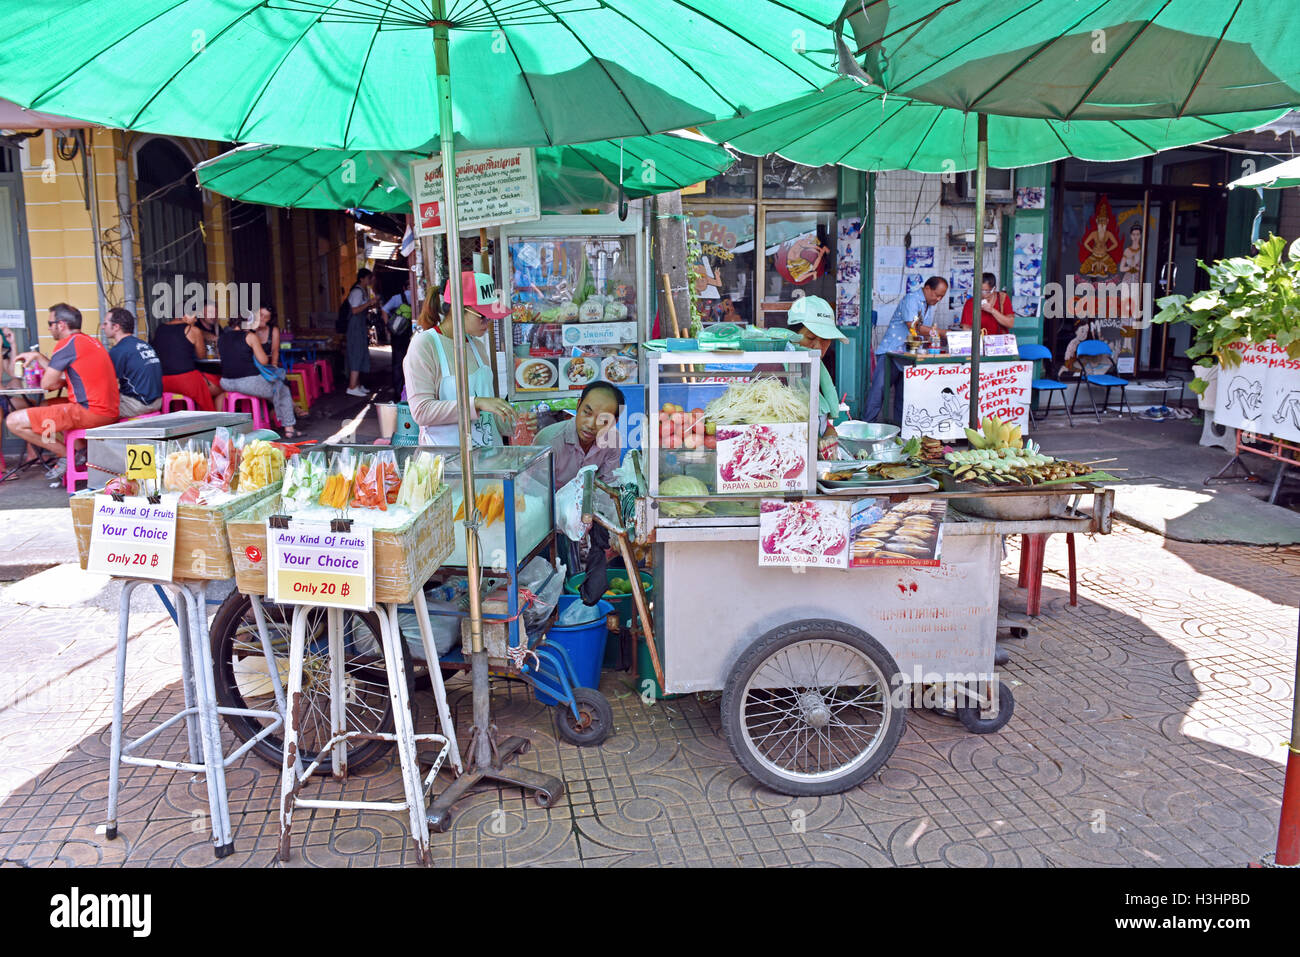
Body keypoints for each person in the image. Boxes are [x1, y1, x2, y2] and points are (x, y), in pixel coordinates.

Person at [6, 303, 119, 483]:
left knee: (13, 421)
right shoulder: (89, 341)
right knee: (45, 405)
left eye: (50, 324)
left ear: (61, 325)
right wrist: (37, 357)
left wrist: (42, 366)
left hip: (90, 412)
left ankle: (67, 454)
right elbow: (66, 380)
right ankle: (79, 451)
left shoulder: (66, 344)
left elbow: (48, 383)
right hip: (106, 410)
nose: (49, 328)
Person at [404, 271, 514, 447]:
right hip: (447, 462)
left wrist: (511, 419)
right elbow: (421, 411)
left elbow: (489, 417)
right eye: (483, 316)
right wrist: (476, 403)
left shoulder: (477, 346)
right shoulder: (425, 344)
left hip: (489, 461)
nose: (488, 322)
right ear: (458, 308)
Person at [864, 276, 948, 422]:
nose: (939, 299)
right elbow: (913, 326)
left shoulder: (930, 305)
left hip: (909, 355)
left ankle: (900, 432)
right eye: (937, 295)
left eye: (942, 296)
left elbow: (924, 332)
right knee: (879, 392)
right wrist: (942, 333)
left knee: (904, 397)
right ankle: (865, 426)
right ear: (927, 288)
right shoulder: (912, 299)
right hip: (891, 352)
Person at [218, 311, 299, 439]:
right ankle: (289, 429)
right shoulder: (249, 336)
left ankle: (263, 420)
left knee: (265, 391)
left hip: (226, 382)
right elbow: (263, 361)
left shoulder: (222, 338)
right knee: (282, 389)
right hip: (248, 383)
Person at [786, 295, 848, 458]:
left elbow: (824, 423)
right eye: (811, 338)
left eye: (826, 340)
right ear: (791, 334)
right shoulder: (774, 369)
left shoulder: (819, 369)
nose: (818, 347)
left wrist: (829, 435)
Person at [534, 381, 624, 488]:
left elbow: (609, 487)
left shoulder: (612, 440)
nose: (591, 425)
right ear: (578, 405)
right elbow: (537, 494)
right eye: (586, 412)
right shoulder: (549, 442)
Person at [153, 311, 218, 411]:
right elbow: (201, 356)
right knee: (219, 388)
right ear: (184, 316)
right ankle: (215, 420)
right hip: (186, 381)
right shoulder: (193, 330)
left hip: (163, 381)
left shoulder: (159, 329)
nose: (196, 320)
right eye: (194, 317)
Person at [104, 307, 163, 418]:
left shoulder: (119, 350)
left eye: (105, 324)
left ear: (116, 327)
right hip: (157, 401)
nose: (103, 327)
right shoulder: (144, 344)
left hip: (139, 405)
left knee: (99, 411)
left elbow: (108, 383)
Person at [344, 268, 381, 397]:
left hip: (359, 326)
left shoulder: (362, 291)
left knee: (361, 353)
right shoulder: (357, 292)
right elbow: (355, 310)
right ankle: (352, 386)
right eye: (368, 278)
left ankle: (357, 385)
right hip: (354, 327)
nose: (370, 280)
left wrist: (371, 305)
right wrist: (369, 303)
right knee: (356, 353)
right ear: (362, 279)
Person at [381, 278, 414, 399]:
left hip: (398, 335)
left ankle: (398, 392)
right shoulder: (418, 297)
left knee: (397, 363)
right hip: (412, 333)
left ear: (404, 288)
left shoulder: (397, 298)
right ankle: (410, 391)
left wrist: (388, 326)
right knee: (412, 361)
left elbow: (384, 310)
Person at [960, 272, 1016, 338]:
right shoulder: (971, 302)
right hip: (980, 342)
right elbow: (966, 328)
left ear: (994, 288)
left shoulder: (1002, 298)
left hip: (999, 342)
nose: (984, 295)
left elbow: (1010, 324)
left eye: (987, 291)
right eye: (981, 291)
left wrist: (992, 310)